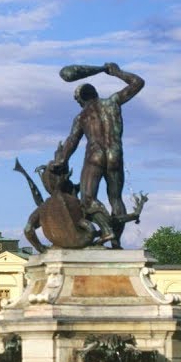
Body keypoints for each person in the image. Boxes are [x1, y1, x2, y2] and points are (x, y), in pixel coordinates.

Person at [57, 62, 144, 248]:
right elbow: (138, 82)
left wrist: (62, 160)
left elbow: (72, 141)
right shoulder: (113, 102)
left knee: (87, 199)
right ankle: (116, 243)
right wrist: (117, 72)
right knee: (116, 199)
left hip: (95, 155)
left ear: (81, 99)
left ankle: (106, 230)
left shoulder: (82, 116)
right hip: (115, 154)